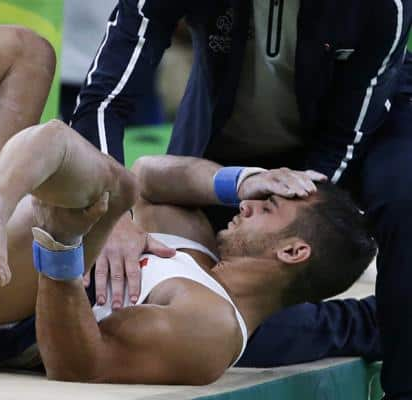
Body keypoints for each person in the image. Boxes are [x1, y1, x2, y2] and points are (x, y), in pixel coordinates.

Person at [0, 26, 376, 384]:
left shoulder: (210, 328)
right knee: (22, 51)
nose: (250, 208)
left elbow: (80, 366)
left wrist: (61, 253)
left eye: (269, 209)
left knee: (95, 176)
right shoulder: (198, 246)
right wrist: (239, 181)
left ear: (294, 251)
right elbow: (156, 171)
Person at [70, 2, 412, 397]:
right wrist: (111, 215)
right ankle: (375, 321)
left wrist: (286, 213)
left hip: (363, 129)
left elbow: (342, 143)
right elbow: (105, 99)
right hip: (230, 140)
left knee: (403, 196)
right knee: (226, 334)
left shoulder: (383, 8)